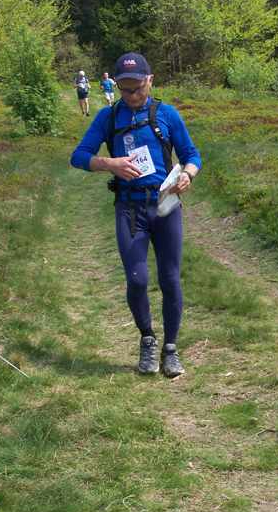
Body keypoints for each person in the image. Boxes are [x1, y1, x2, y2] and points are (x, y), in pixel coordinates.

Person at [70, 52, 202, 378]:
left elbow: (192, 155)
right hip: (130, 209)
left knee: (170, 278)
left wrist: (188, 174)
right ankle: (147, 339)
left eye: (138, 88)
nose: (131, 95)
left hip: (165, 205)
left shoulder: (167, 114)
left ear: (150, 81)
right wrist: (109, 164)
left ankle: (170, 349)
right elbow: (79, 156)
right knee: (137, 278)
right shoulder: (108, 117)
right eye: (125, 89)